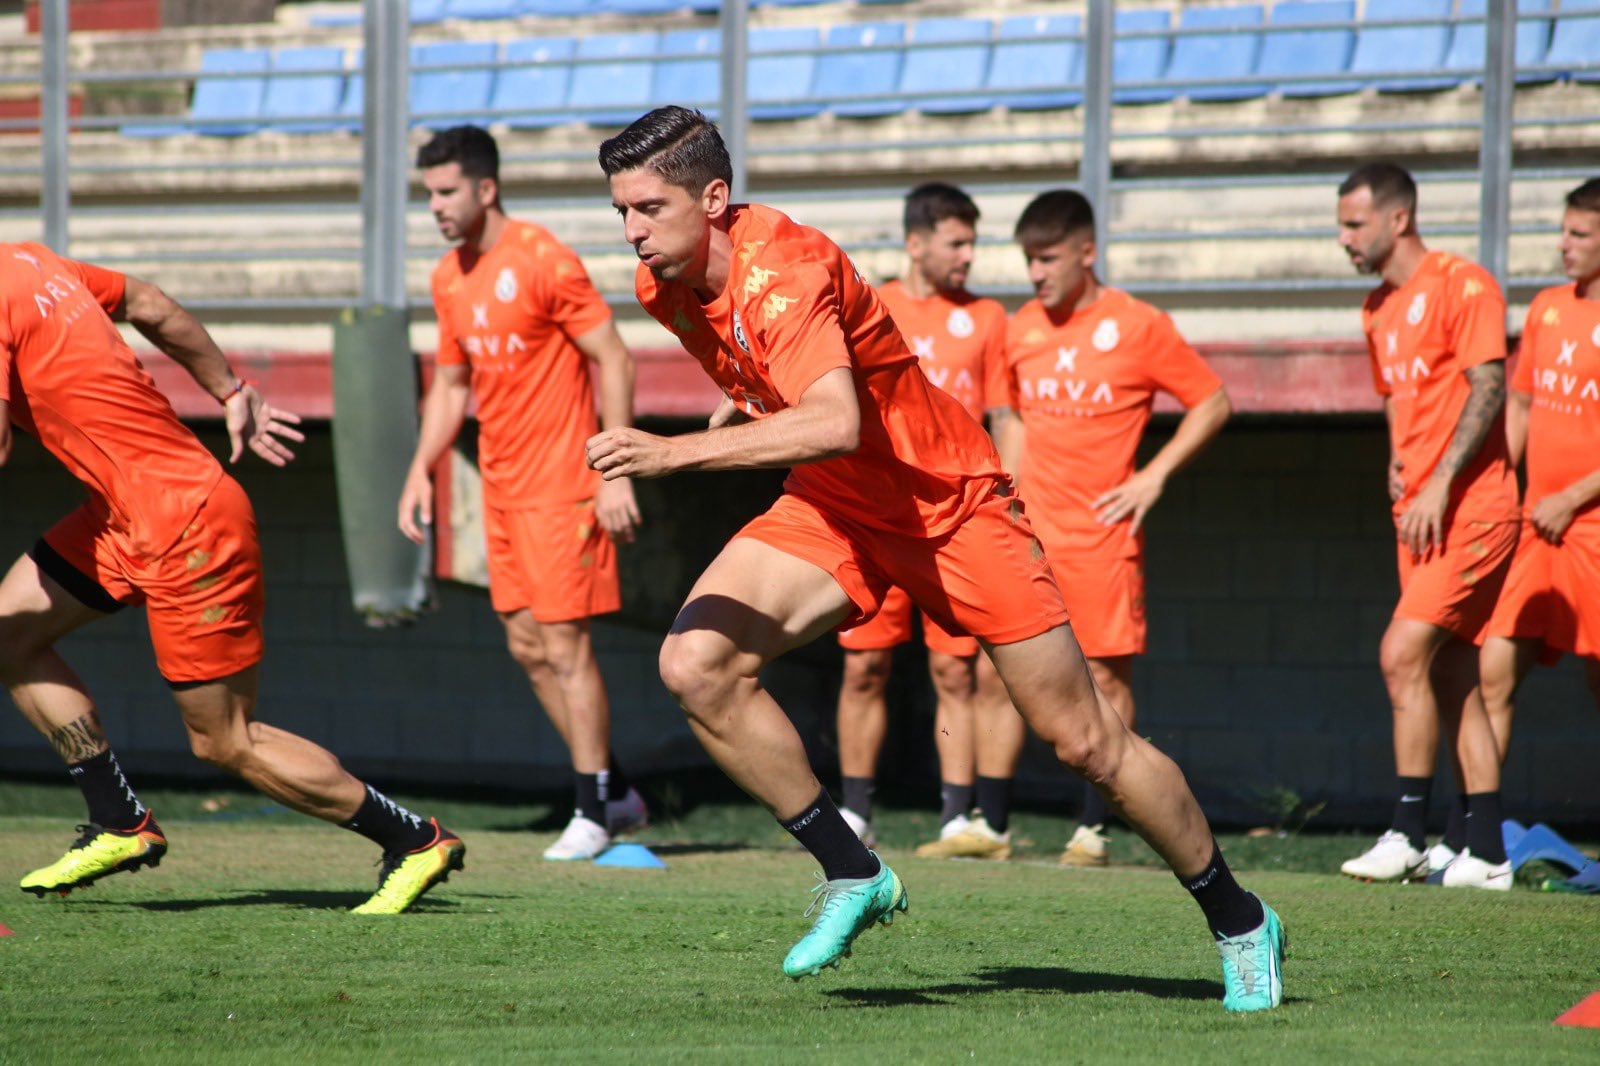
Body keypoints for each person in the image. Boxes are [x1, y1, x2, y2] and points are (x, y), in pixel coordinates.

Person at [587, 107, 1284, 1012]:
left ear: (713, 199)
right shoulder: (666, 286)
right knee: (696, 664)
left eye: (649, 208)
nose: (634, 233)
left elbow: (835, 421)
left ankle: (1240, 920)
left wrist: (671, 451)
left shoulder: (783, 271)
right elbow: (801, 398)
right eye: (622, 214)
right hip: (838, 506)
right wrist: (753, 401)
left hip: (950, 506)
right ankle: (854, 869)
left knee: (1085, 741)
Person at [0, 243, 464, 914]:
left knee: (224, 739)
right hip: (123, 518)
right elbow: (152, 304)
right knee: (11, 636)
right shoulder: (30, 261)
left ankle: (415, 840)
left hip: (187, 526)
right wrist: (233, 390)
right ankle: (119, 822)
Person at [397, 126, 648, 861]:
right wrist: (421, 466)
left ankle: (592, 810)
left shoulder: (542, 258)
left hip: (565, 488)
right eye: (429, 194)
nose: (437, 206)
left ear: (486, 188)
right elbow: (450, 385)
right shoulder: (449, 276)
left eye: (447, 192)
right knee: (527, 645)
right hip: (502, 492)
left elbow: (614, 357)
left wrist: (616, 468)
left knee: (567, 648)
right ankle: (616, 791)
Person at [995, 189, 1232, 868]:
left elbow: (1212, 400)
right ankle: (988, 818)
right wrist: (1007, 502)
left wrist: (1153, 478)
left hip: (1102, 537)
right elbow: (1011, 417)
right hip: (1033, 536)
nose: (1037, 273)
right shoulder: (1021, 327)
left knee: (1104, 675)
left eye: (1048, 258)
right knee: (1010, 671)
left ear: (1086, 252)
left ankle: (1093, 827)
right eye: (1028, 261)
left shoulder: (1139, 324)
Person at [1335, 162, 1519, 890]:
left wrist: (1441, 477)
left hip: (1474, 510)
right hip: (1419, 518)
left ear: (1398, 219)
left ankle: (1408, 831)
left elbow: (1490, 384)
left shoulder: (1463, 284)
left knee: (1399, 653)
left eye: (1354, 224)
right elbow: (1396, 399)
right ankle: (1488, 852)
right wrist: (1398, 461)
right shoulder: (1377, 308)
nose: (1343, 238)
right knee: (1454, 675)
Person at [828, 181, 1024, 858]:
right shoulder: (871, 303)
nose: (969, 255)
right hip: (878, 514)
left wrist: (1011, 489)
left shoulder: (990, 319)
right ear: (916, 244)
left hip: (954, 522)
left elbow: (1004, 416)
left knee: (956, 672)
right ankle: (855, 814)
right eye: (956, 242)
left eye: (973, 242)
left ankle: (957, 817)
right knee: (865, 668)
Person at [1480, 178, 1600, 747]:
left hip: (1590, 526)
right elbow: (1520, 405)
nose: (1563, 244)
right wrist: (1502, 482)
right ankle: (1476, 831)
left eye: (1579, 233)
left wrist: (1572, 498)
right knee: (1492, 676)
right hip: (1536, 526)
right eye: (1563, 230)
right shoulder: (1548, 308)